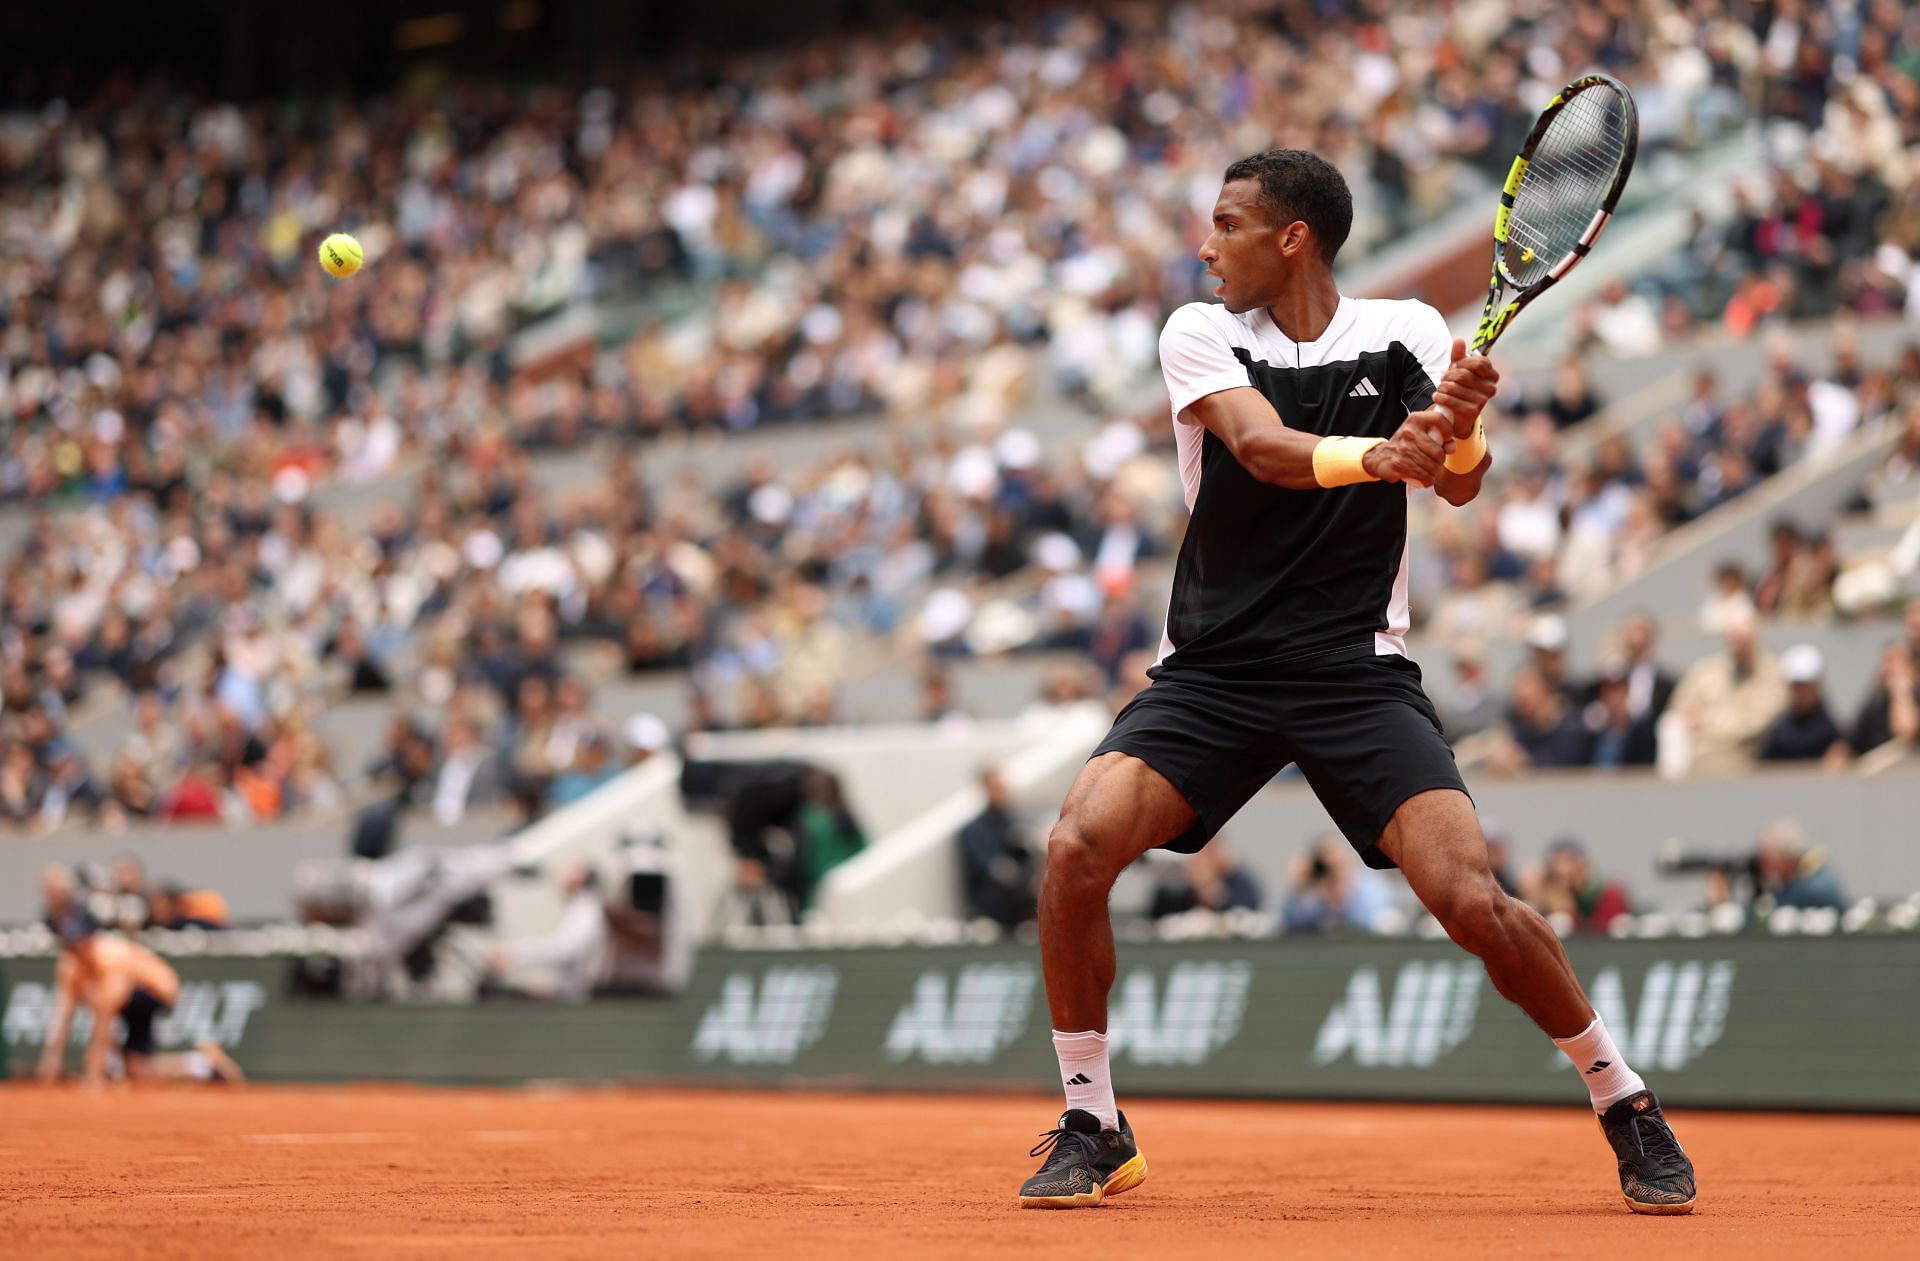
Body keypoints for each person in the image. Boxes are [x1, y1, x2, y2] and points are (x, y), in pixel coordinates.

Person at [1019, 151, 1693, 1215]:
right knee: (1073, 849)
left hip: (1354, 670)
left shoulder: (1413, 331)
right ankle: (1094, 1120)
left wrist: (1458, 420)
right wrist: (1381, 455)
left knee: (1471, 900)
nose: (1208, 245)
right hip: (1216, 670)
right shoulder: (1199, 332)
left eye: (1228, 224)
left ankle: (1624, 1098)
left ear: (1292, 237)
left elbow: (1461, 483)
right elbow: (1261, 444)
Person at [35, 865, 242, 1086]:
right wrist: (51, 1061)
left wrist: (93, 1074)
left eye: (80, 939)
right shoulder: (69, 966)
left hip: (153, 991)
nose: (78, 946)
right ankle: (202, 1065)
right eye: (71, 941)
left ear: (90, 936)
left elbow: (104, 1020)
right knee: (138, 1069)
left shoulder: (109, 959)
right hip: (132, 994)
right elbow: (64, 1014)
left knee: (100, 1005)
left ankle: (110, 1066)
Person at [1659, 610, 1786, 776]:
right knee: (1670, 725)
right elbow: (1679, 710)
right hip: (1695, 757)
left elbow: (1752, 723)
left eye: (1744, 641)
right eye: (1734, 640)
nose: (1738, 647)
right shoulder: (1706, 671)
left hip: (1742, 761)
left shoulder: (1773, 675)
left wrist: (1704, 721)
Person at [959, 768, 1038, 930]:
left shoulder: (1017, 825)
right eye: (995, 786)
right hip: (989, 912)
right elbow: (993, 869)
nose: (1001, 792)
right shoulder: (975, 830)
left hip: (1020, 912)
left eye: (1002, 786)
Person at [1279, 838, 1391, 934]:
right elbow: (1291, 924)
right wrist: (1298, 888)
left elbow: (1373, 924)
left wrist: (1341, 895)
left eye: (1333, 857)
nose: (1330, 866)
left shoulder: (1370, 886)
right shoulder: (1313, 894)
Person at [1760, 645, 1848, 763]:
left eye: (1806, 686)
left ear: (1817, 685)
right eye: (1797, 686)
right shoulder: (1779, 732)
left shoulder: (1833, 732)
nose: (1802, 693)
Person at [1527, 839, 1634, 935]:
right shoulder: (1553, 895)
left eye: (1569, 860)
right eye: (1556, 862)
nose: (1562, 869)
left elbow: (1601, 936)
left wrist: (1570, 913)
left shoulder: (1608, 894)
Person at [1147, 841, 1264, 920]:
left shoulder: (1238, 880)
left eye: (1210, 851)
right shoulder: (1183, 882)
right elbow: (1158, 913)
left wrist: (1210, 888)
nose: (1204, 858)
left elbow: (1247, 911)